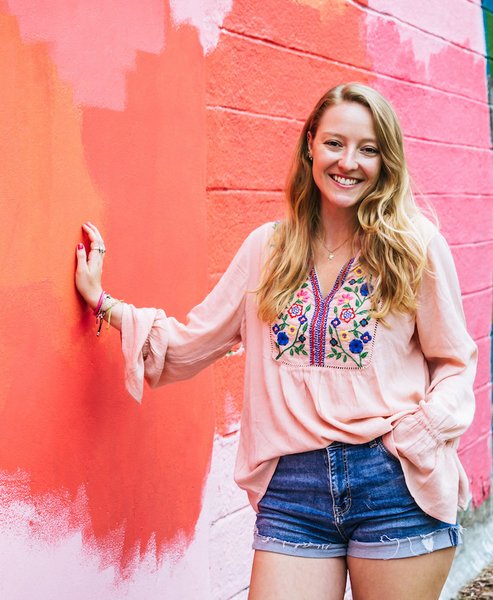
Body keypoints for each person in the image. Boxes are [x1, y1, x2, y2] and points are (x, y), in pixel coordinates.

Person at [75, 83, 478, 600]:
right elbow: (190, 343)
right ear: (310, 144)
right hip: (293, 492)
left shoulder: (414, 247)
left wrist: (417, 437)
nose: (348, 162)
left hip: (393, 484)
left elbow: (455, 363)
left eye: (368, 149)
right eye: (335, 143)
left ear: (386, 160)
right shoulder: (266, 250)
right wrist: (103, 302)